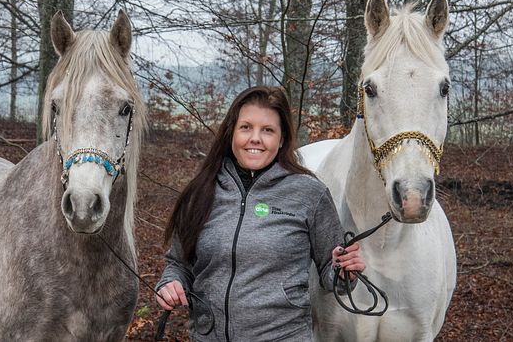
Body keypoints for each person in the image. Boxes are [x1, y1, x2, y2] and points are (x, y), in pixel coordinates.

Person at [156, 86, 365, 341]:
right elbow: (178, 264)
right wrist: (170, 284)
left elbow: (332, 276)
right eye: (246, 127)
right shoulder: (201, 191)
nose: (255, 138)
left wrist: (345, 271)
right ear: (232, 132)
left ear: (282, 139)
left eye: (267, 130)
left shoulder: (309, 193)